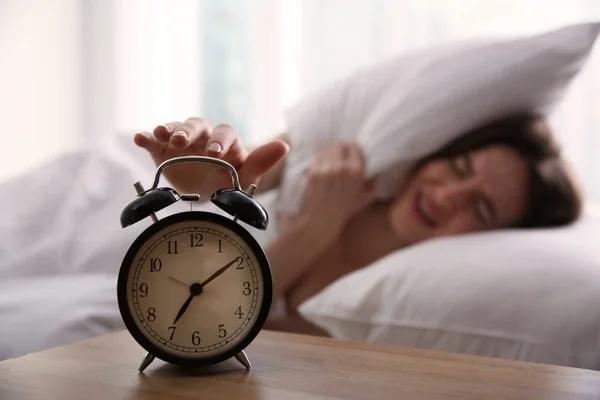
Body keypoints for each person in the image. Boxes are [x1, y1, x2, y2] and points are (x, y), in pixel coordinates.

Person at [133, 113, 583, 334]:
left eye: (481, 208)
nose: (445, 196)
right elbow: (219, 180)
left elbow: (218, 325)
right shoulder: (332, 156)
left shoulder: (403, 304)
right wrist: (203, 178)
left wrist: (317, 227)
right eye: (459, 167)